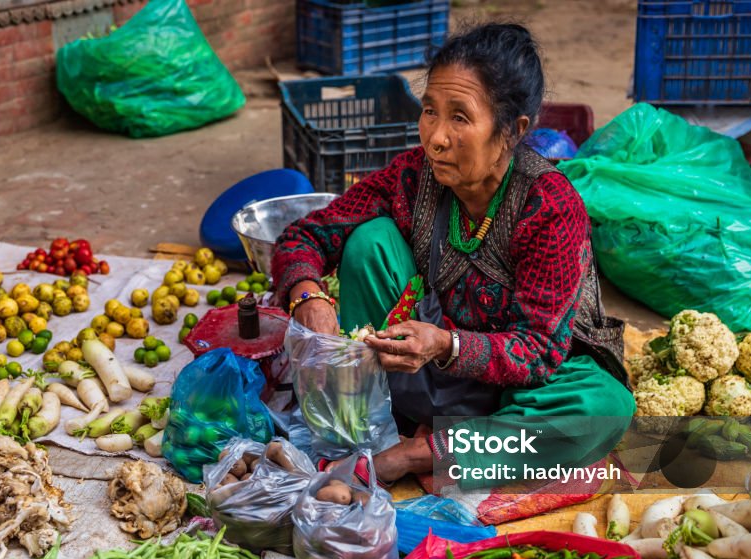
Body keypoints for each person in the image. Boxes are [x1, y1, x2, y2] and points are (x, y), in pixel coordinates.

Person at [271, 23, 635, 488]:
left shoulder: (548, 207)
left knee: (604, 408)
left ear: (511, 131)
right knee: (370, 242)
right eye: (429, 111)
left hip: (516, 395)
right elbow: (306, 235)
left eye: (460, 117)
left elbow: (538, 353)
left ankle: (416, 453)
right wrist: (308, 297)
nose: (436, 137)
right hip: (413, 375)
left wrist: (446, 345)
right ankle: (364, 424)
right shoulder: (413, 177)